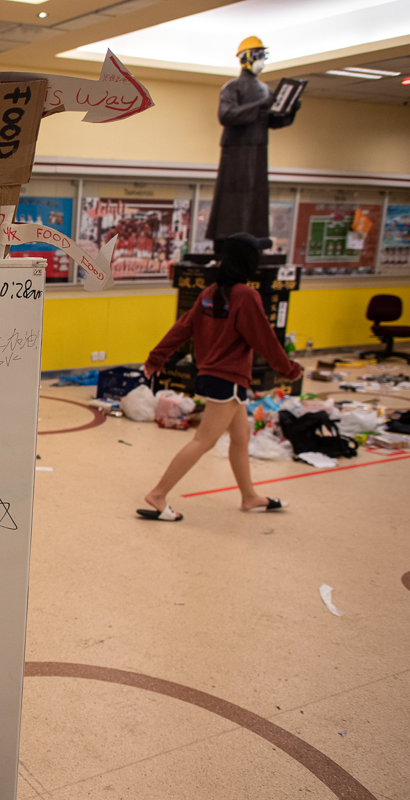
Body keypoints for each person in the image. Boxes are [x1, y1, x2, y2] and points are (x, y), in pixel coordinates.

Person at [137, 232, 303, 521]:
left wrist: (156, 358)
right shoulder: (245, 296)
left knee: (240, 437)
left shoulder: (211, 292)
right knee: (204, 441)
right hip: (226, 379)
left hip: (219, 379)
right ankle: (159, 494)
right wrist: (289, 369)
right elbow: (265, 339)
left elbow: (181, 328)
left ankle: (249, 496)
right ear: (249, 261)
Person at [205, 37, 300, 241]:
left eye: (263, 56)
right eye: (257, 56)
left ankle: (252, 236)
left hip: (258, 148)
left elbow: (272, 121)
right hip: (236, 150)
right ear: (246, 58)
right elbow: (226, 115)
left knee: (256, 194)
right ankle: (228, 236)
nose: (262, 61)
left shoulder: (265, 89)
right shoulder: (232, 87)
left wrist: (290, 110)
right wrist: (260, 106)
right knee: (232, 195)